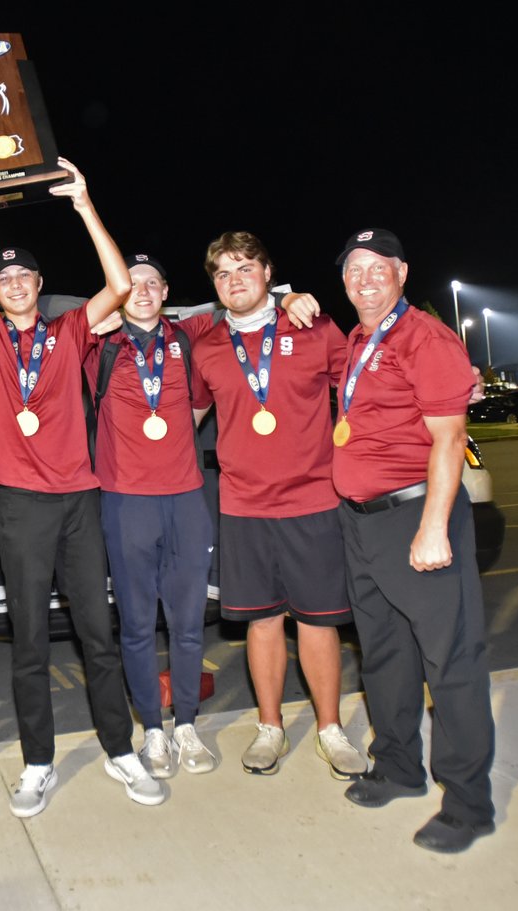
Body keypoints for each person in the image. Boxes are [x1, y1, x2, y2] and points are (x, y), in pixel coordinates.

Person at [0, 103, 166, 816]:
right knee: (31, 638)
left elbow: (122, 286)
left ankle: (120, 750)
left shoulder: (70, 330)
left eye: (23, 278)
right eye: (3, 280)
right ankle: (38, 761)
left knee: (96, 635)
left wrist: (84, 202)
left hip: (79, 500)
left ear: (39, 285)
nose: (11, 285)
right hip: (19, 506)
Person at [332, 228, 495, 853]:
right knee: (385, 656)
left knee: (450, 662)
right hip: (361, 521)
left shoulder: (424, 336)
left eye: (377, 267)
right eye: (353, 269)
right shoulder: (359, 341)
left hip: (416, 517)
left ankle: (468, 803)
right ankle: (397, 765)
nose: (364, 278)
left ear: (401, 271)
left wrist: (433, 527)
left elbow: (449, 439)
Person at [188, 231, 367, 780]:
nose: (234, 280)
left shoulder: (312, 327)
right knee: (261, 623)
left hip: (313, 499)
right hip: (242, 505)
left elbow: (364, 389)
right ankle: (269, 727)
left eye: (245, 268)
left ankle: (330, 729)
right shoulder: (207, 345)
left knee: (317, 622)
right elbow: (186, 420)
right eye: (222, 272)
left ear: (268, 273)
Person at [91, 253, 218, 780]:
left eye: (152, 283)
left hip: (186, 499)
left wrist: (289, 297)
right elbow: (41, 314)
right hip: (125, 502)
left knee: (188, 625)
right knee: (138, 626)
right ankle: (153, 731)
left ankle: (186, 723)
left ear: (166, 292)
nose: (142, 290)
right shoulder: (96, 345)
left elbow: (243, 302)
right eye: (132, 284)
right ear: (118, 293)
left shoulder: (190, 337)